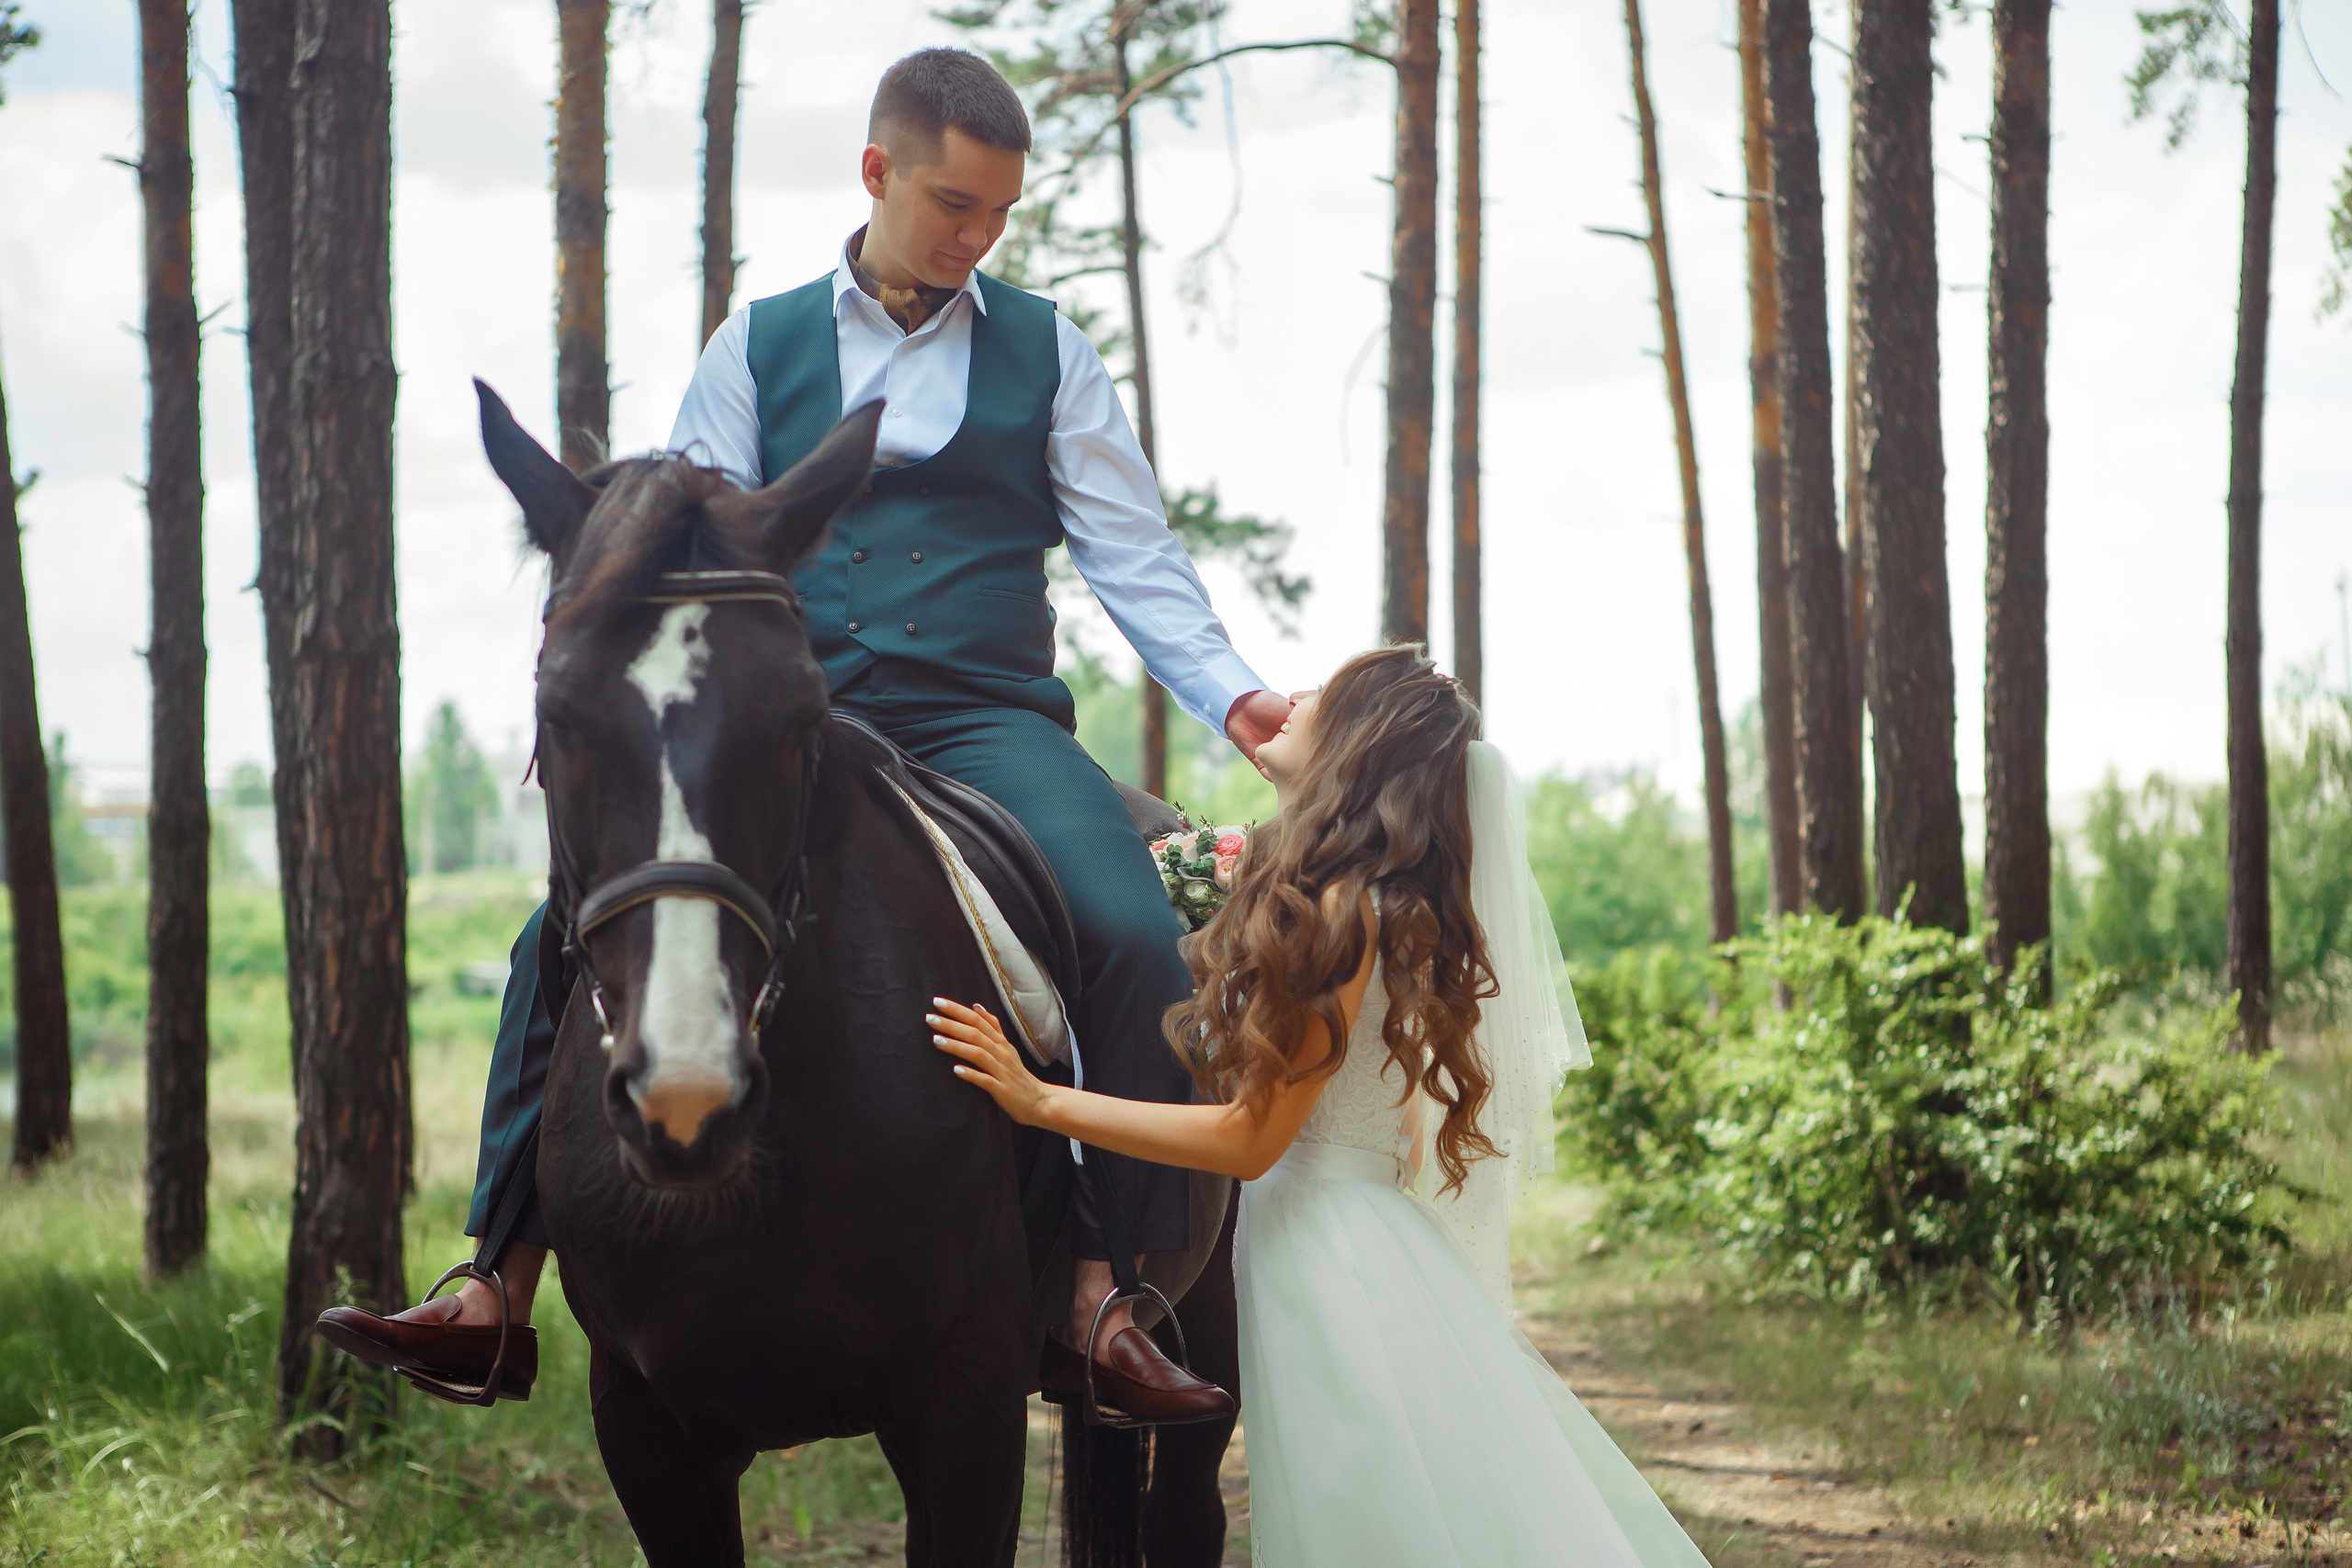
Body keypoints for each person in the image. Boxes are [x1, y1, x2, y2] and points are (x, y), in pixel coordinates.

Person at [320, 46, 1288, 1423]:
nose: (978, 237)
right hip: (788, 724)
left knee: (1134, 930)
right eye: (954, 204)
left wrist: (1236, 697)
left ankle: (1100, 1297)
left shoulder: (1049, 352)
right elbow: (661, 543)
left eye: (1000, 214)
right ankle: (494, 1281)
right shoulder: (757, 345)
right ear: (878, 171)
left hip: (988, 721)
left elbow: (1134, 555)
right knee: (559, 932)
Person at [928, 646, 1718, 1567]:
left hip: (1331, 1268)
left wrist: (1043, 1102)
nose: (1292, 698)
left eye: (1319, 694)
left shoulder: (1341, 910)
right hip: (1353, 1242)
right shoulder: (1364, 895)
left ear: (1355, 741)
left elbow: (1248, 1140)